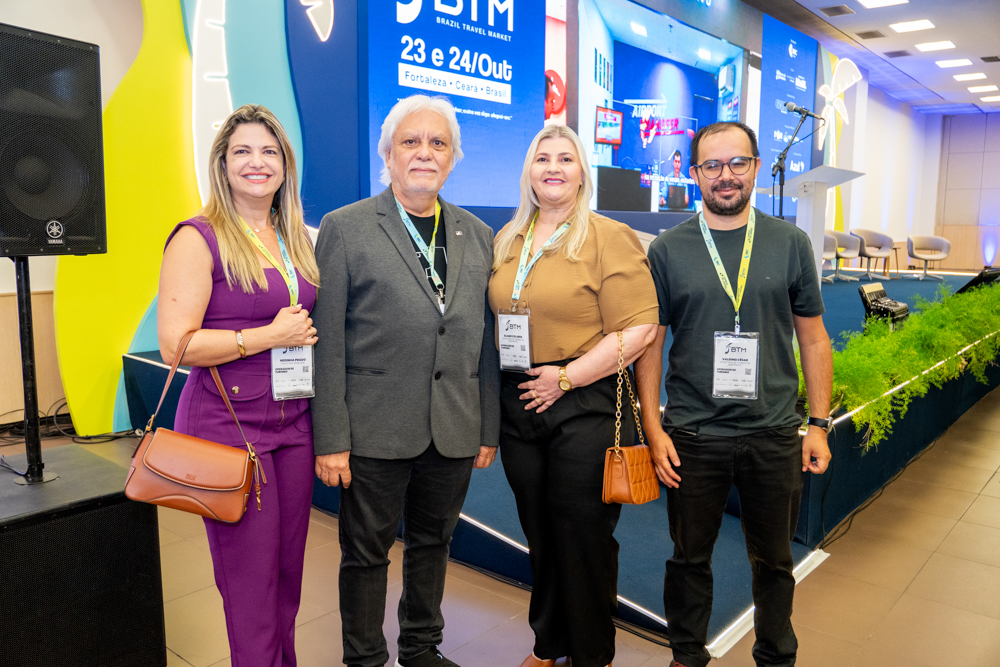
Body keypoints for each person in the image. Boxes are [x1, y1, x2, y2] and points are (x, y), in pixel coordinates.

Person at [310, 94, 500, 667]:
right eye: (410, 143)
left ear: (454, 157)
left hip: (454, 427)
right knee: (365, 554)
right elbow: (329, 340)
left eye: (438, 143)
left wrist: (487, 426)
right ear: (388, 155)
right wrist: (332, 437)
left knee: (433, 545)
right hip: (372, 429)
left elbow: (485, 341)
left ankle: (421, 649)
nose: (424, 153)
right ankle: (364, 658)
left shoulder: (478, 234)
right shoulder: (346, 228)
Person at [635, 121, 833, 667]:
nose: (726, 177)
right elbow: (650, 344)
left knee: (774, 562)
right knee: (688, 559)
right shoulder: (669, 250)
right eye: (712, 166)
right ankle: (686, 656)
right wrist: (654, 429)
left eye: (737, 163)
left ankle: (775, 657)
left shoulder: (790, 243)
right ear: (695, 173)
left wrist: (818, 424)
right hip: (692, 436)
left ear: (755, 165)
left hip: (772, 433)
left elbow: (814, 338)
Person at [488, 125, 659, 667]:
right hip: (519, 400)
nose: (553, 167)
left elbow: (640, 329)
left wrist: (567, 378)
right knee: (539, 530)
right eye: (543, 158)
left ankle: (590, 653)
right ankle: (549, 642)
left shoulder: (608, 236)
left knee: (581, 534)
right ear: (529, 171)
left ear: (582, 171)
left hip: (583, 400)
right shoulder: (508, 237)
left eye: (566, 158)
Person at [157, 104, 320, 667]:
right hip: (227, 428)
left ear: (285, 165)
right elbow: (177, 345)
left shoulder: (297, 236)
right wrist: (266, 336)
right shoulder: (198, 238)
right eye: (242, 152)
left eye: (269, 152)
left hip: (294, 425)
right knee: (249, 587)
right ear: (222, 165)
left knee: (286, 577)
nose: (257, 162)